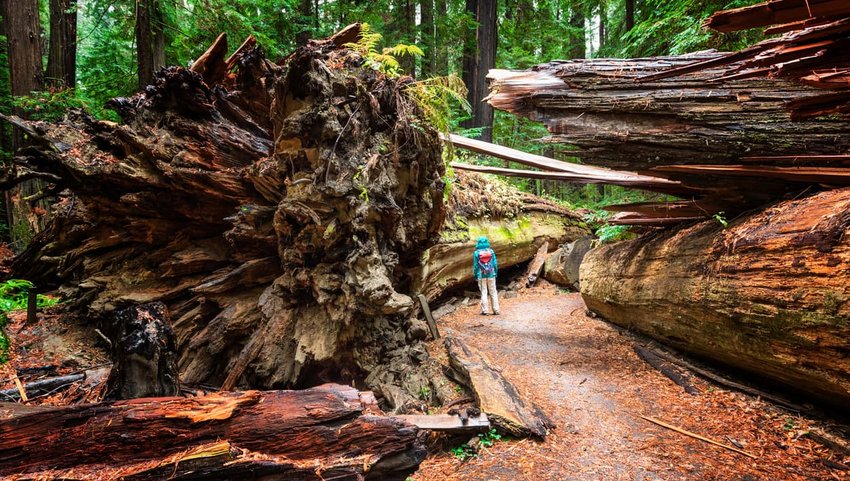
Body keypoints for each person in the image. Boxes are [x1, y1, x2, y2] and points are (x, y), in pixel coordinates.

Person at [473, 236, 500, 315]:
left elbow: (475, 266)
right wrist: (496, 272)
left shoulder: (476, 253)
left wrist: (475, 275)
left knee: (484, 292)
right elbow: (495, 264)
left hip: (481, 275)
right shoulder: (491, 251)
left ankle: (485, 310)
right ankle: (496, 310)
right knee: (493, 292)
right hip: (491, 274)